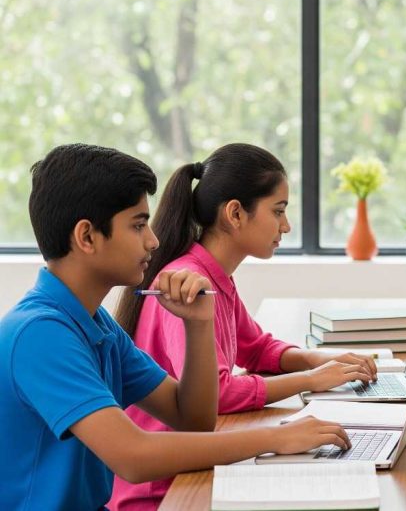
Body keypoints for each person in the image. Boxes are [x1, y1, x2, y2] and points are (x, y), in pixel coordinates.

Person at [0, 145, 349, 510]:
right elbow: (132, 456)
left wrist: (198, 325)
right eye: (138, 225)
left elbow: (193, 419)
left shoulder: (94, 324)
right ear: (87, 237)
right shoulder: (40, 335)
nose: (153, 240)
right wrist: (274, 438)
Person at [109, 144, 376, 510]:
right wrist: (311, 381)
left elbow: (257, 349)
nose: (286, 225)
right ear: (235, 213)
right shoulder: (187, 282)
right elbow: (219, 392)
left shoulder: (217, 276)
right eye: (278, 211)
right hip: (165, 490)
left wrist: (321, 360)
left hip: (194, 468)